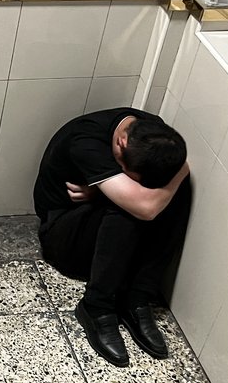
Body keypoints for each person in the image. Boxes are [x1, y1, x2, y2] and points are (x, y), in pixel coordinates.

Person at [33, 107, 191, 368]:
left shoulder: (152, 135)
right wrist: (181, 172)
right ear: (120, 144)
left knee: (172, 191)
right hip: (63, 238)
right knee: (131, 208)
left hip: (111, 244)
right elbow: (145, 208)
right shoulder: (86, 143)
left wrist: (175, 178)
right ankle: (96, 307)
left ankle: (137, 298)